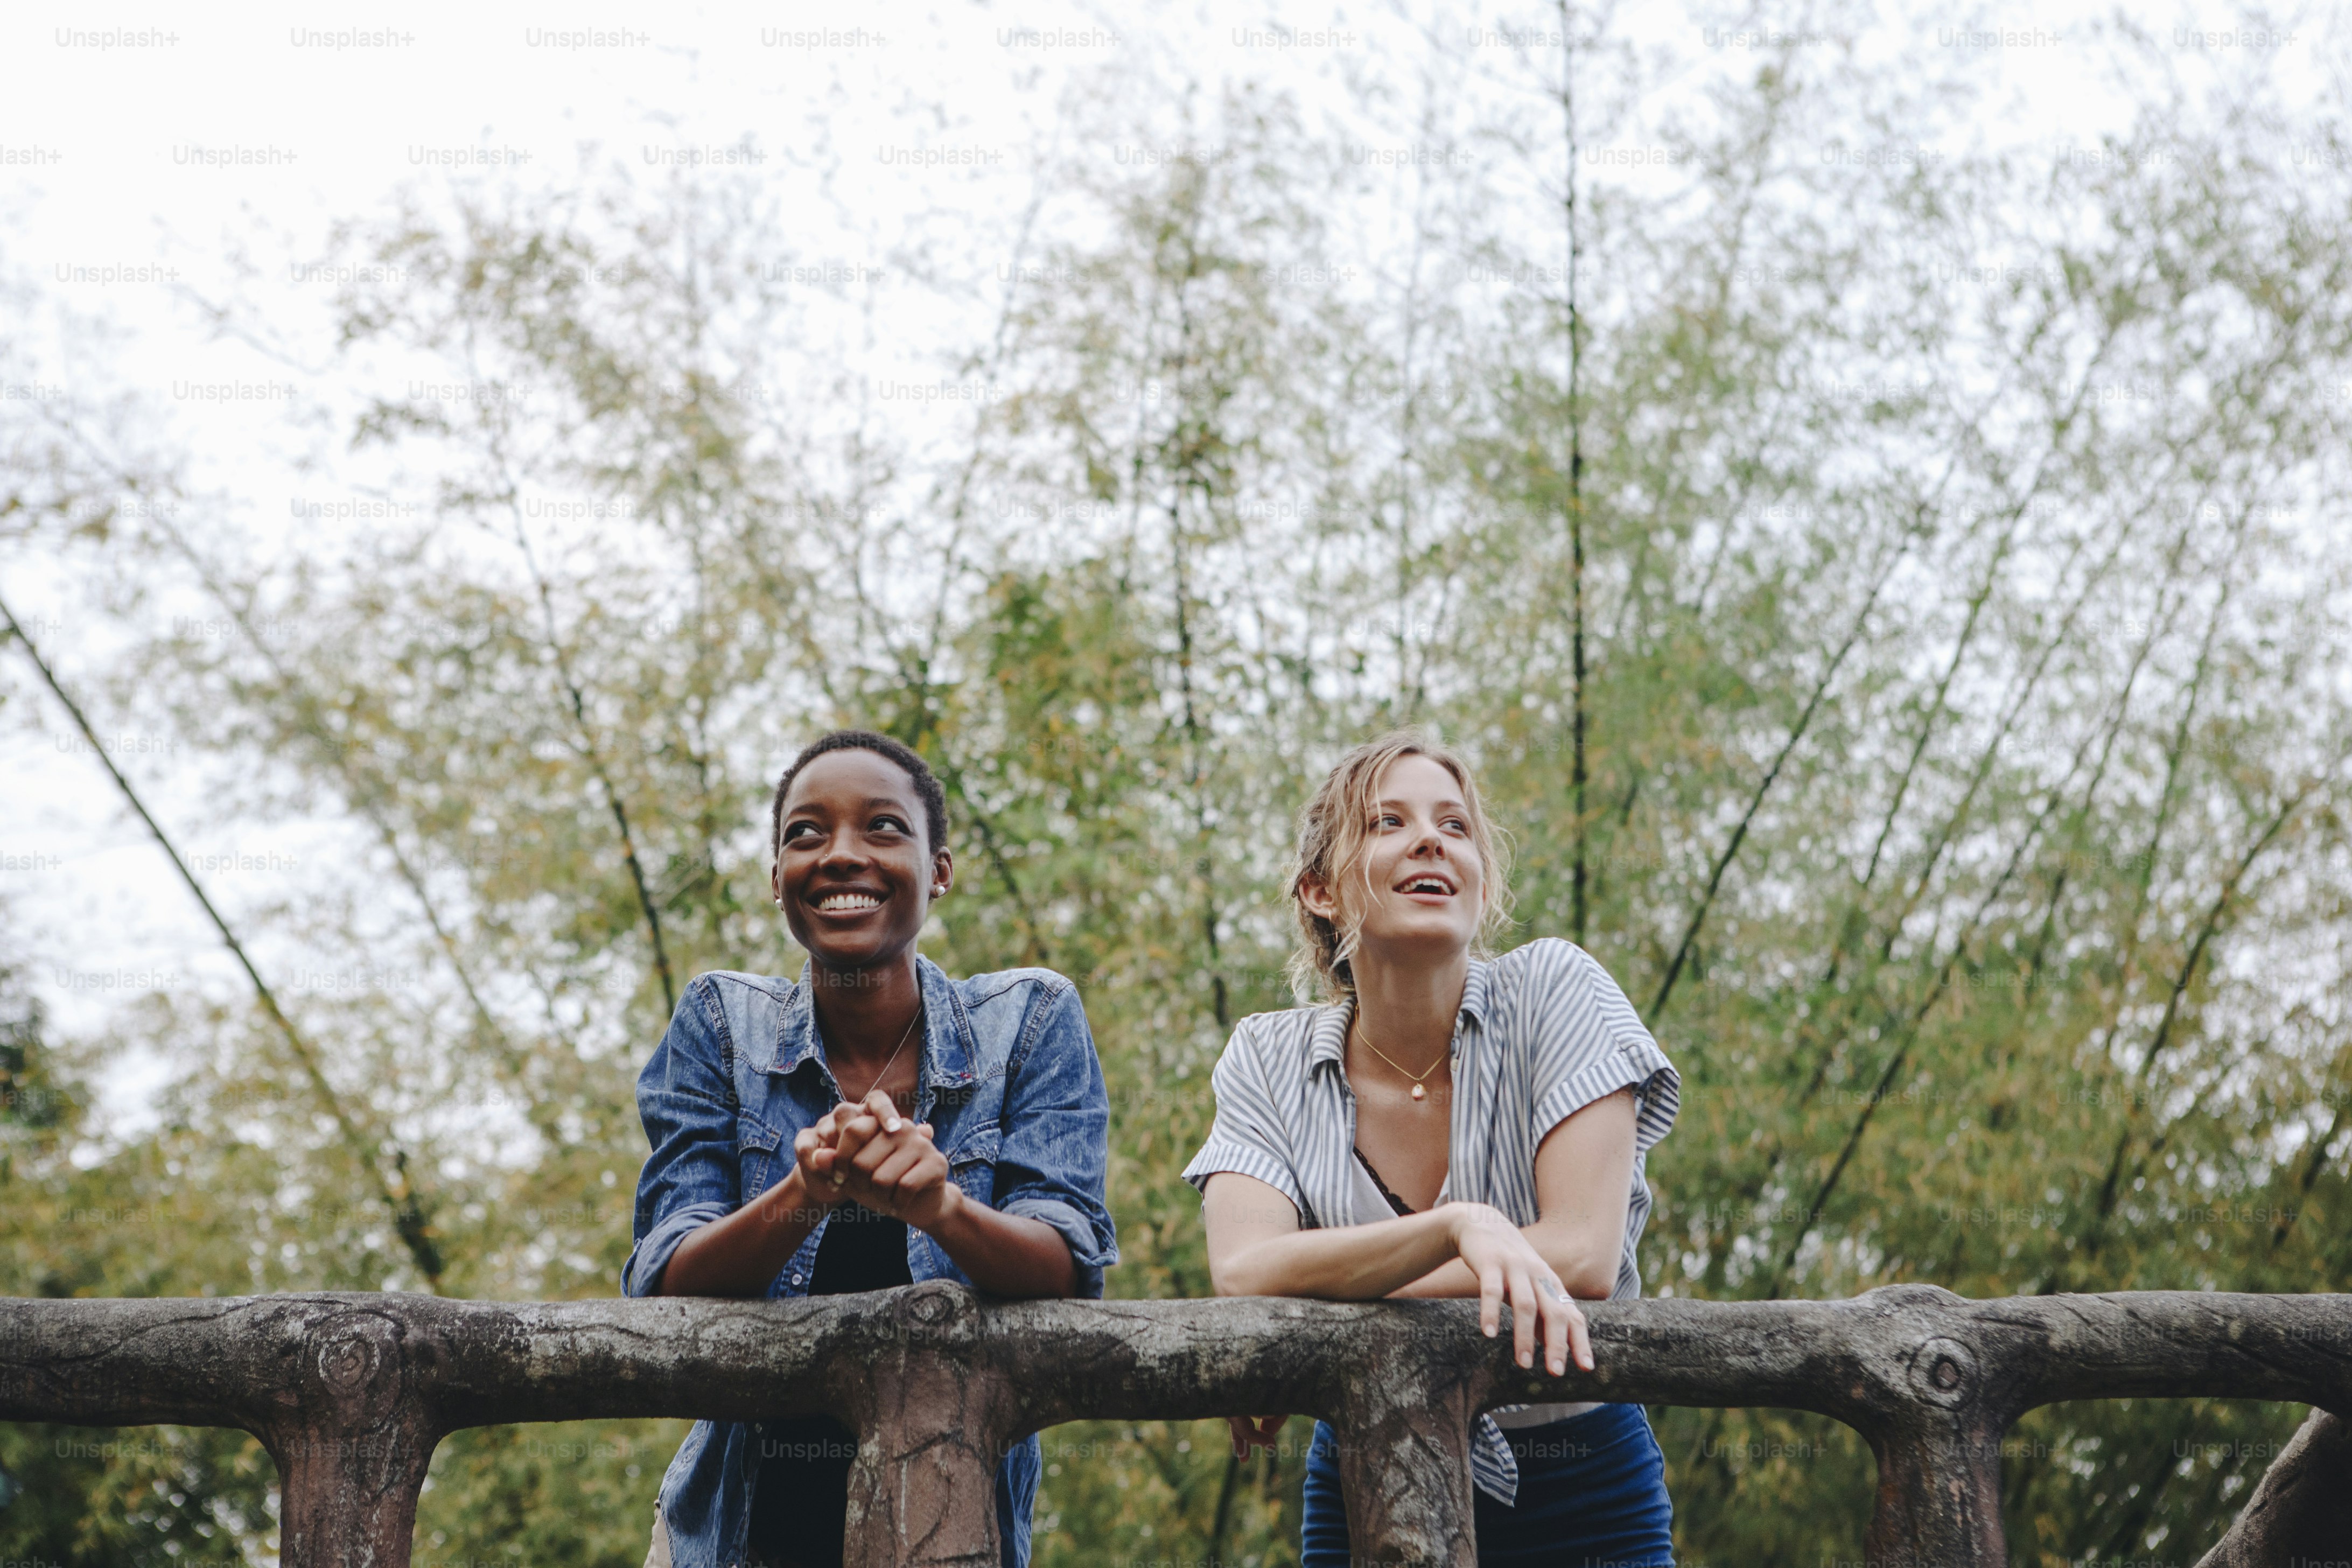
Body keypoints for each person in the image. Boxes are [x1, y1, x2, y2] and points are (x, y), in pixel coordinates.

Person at [1182, 729, 1680, 1568]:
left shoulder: (1557, 989)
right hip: (1366, 1463)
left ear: (1482, 883)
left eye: (1455, 826)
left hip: (1582, 1473)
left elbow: (1584, 1255)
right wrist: (1459, 1232)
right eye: (1387, 822)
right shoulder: (1265, 1056)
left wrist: (1324, 1287)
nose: (1431, 839)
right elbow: (1241, 1270)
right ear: (1320, 891)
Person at [624, 729, 1118, 1568]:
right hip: (734, 1539)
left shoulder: (1031, 1020)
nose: (841, 854)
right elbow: (664, 1280)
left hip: (953, 1534)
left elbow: (1068, 1267)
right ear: (777, 881)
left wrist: (941, 1209)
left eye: (883, 827)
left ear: (940, 872)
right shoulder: (718, 1023)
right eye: (805, 834)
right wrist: (803, 1193)